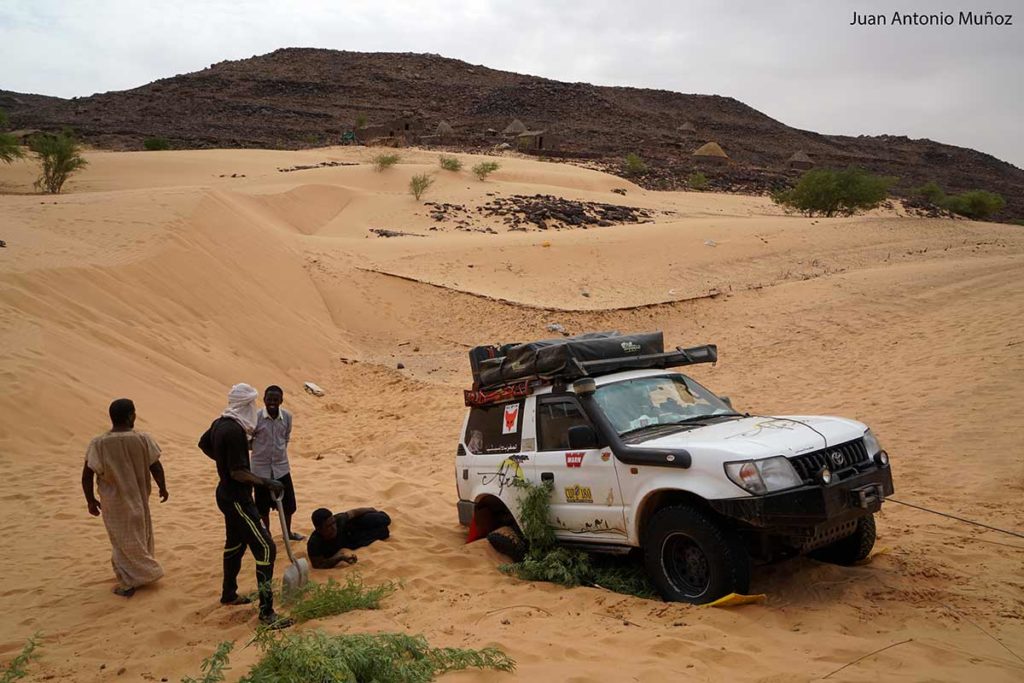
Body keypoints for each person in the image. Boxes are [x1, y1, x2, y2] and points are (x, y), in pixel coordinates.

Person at [201, 383, 291, 628]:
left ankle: (228, 594)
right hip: (237, 497)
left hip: (226, 493)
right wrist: (266, 482)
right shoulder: (233, 431)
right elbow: (239, 472)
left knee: (235, 543)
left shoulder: (221, 422)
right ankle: (266, 613)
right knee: (266, 548)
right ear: (246, 405)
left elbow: (204, 444)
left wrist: (223, 461)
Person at [81, 398, 168, 598]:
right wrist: (163, 487)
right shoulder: (143, 438)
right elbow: (155, 466)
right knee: (141, 535)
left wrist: (90, 500)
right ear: (130, 416)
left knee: (121, 541)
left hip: (113, 502)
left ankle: (131, 581)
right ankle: (140, 574)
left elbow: (87, 474)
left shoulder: (98, 443)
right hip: (138, 498)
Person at [251, 385, 302, 541]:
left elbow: (285, 437)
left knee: (289, 506)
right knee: (262, 507)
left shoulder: (287, 417)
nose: (272, 402)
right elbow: (249, 439)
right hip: (260, 471)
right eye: (269, 399)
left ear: (281, 401)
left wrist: (278, 452)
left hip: (281, 468)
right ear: (264, 399)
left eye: (275, 399)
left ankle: (288, 533)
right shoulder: (256, 417)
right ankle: (267, 536)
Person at [306, 506, 391, 569]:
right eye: (328, 526)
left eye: (333, 523)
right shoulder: (314, 543)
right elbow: (319, 565)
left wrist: (370, 509)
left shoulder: (338, 519)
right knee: (384, 532)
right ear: (319, 529)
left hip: (354, 525)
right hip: (351, 540)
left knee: (384, 519)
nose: (333, 527)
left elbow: (353, 513)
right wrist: (339, 558)